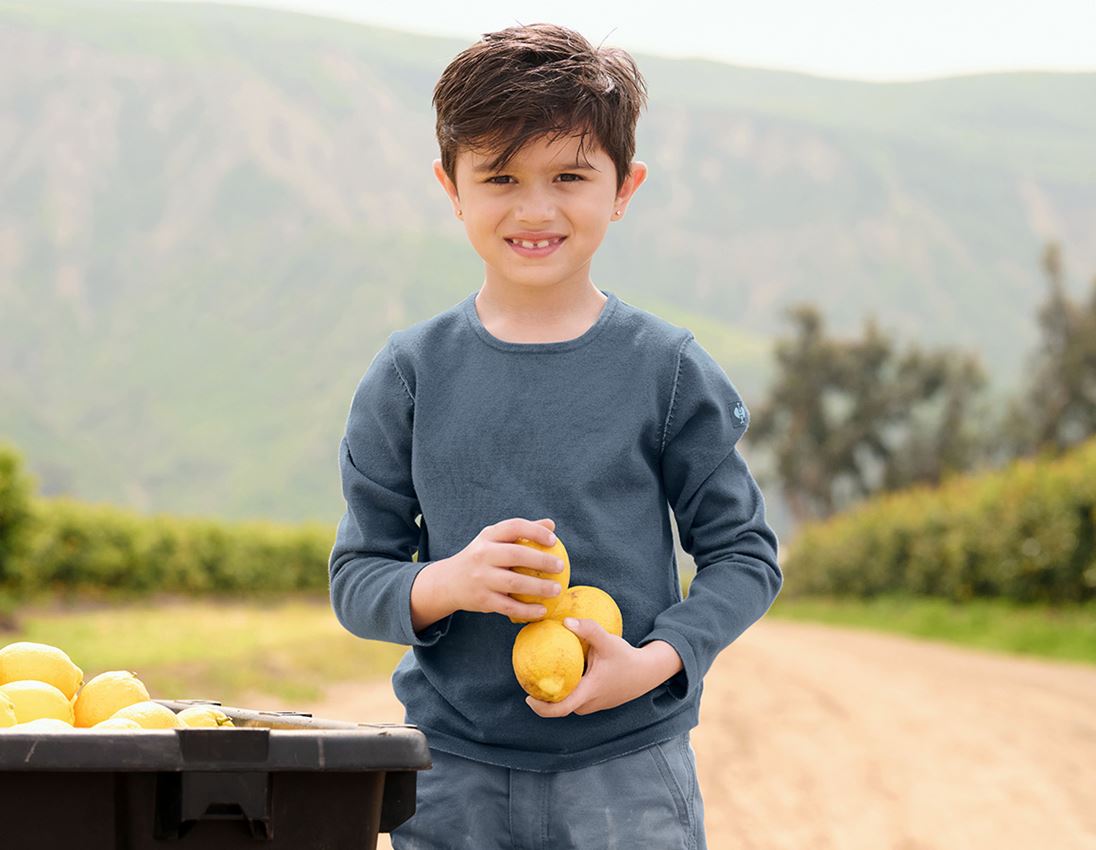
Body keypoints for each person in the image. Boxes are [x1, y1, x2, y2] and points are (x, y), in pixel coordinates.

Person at [329, 22, 782, 850]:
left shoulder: (668, 370)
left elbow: (745, 555)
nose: (535, 209)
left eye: (569, 176)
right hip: (450, 776)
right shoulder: (408, 375)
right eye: (499, 176)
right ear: (451, 187)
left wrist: (656, 663)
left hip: (629, 777)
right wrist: (447, 582)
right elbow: (357, 577)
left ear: (624, 188)